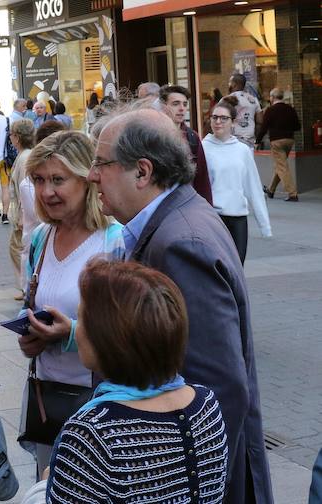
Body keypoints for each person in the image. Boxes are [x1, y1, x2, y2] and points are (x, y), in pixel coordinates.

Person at [89, 107, 273, 503]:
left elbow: (219, 387)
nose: (91, 175)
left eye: (100, 164)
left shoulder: (180, 243)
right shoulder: (173, 223)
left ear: (143, 172)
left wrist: (180, 483)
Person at [45, 260, 229, 502]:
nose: (76, 330)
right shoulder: (207, 404)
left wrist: (41, 487)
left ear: (107, 338)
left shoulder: (92, 434)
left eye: (81, 319)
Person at [17, 131, 124, 474]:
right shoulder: (40, 238)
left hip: (99, 401)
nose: (47, 192)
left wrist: (70, 333)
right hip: (48, 398)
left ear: (86, 179)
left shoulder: (114, 240)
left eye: (58, 180)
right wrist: (30, 332)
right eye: (39, 180)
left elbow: (128, 329)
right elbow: (33, 301)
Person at [202, 97, 272, 263]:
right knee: (217, 267)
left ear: (233, 122)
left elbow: (253, 188)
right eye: (214, 117)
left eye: (223, 118)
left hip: (239, 218)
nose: (218, 122)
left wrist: (265, 225)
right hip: (213, 218)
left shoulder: (242, 150)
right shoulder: (203, 148)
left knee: (237, 267)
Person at [159, 85, 215, 206]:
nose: (182, 108)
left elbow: (202, 177)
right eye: (175, 104)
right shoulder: (154, 136)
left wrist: (207, 208)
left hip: (187, 204)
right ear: (163, 107)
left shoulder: (192, 137)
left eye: (184, 104)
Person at [8, 118, 39, 300]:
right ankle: (25, 285)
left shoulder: (24, 158)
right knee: (21, 249)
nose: (10, 138)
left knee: (19, 249)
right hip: (24, 213)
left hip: (25, 214)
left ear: (17, 137)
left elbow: (24, 189)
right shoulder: (26, 155)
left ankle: (26, 285)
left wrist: (21, 216)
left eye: (12, 135)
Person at [257, 87, 301, 201]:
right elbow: (297, 126)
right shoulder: (290, 109)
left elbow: (263, 128)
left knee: (282, 167)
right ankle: (271, 190)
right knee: (281, 165)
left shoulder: (270, 110)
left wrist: (257, 141)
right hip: (289, 140)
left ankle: (292, 194)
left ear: (272, 97)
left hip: (276, 141)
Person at [227, 72, 262, 147]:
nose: (228, 84)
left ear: (234, 84)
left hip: (232, 138)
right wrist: (257, 139)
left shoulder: (227, 99)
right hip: (249, 138)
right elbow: (260, 121)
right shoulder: (253, 99)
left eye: (230, 82)